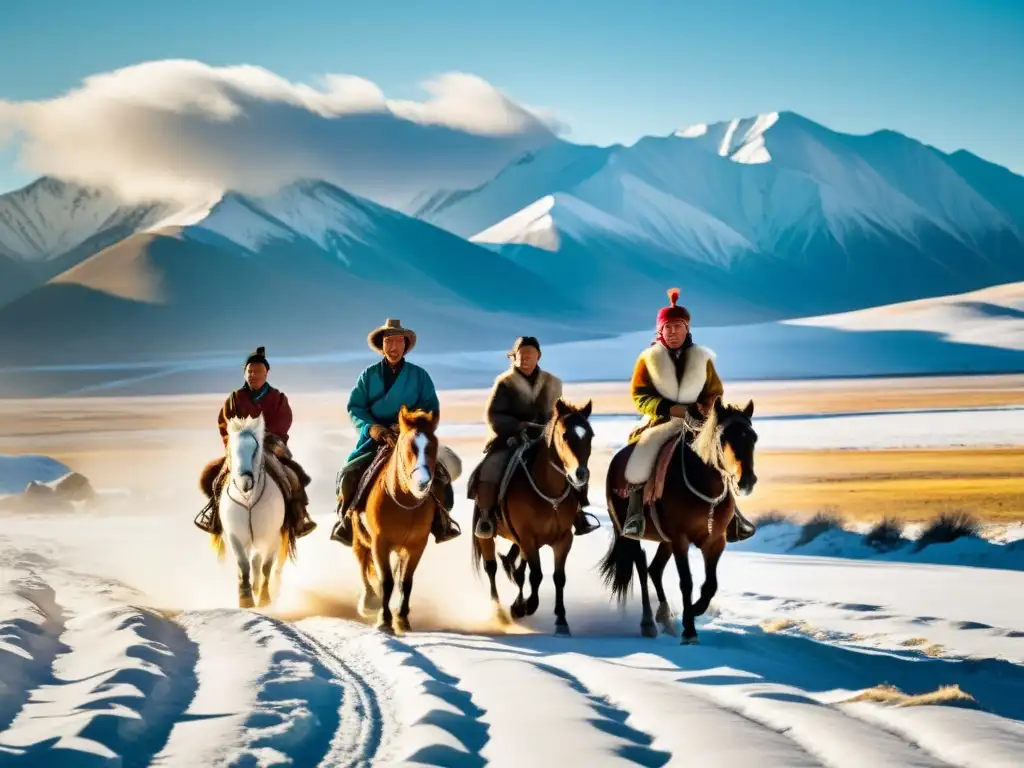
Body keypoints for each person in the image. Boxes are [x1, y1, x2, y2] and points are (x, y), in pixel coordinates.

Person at [620, 289, 757, 542]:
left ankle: (733, 515)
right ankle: (635, 513)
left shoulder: (702, 359)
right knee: (643, 454)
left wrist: (705, 408)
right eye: (668, 328)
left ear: (687, 329)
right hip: (661, 420)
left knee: (721, 453)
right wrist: (671, 409)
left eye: (678, 327)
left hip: (701, 422)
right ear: (660, 331)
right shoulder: (648, 360)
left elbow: (715, 391)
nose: (673, 332)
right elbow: (640, 396)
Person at [329, 318, 461, 546]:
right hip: (375, 439)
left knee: (439, 474)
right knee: (349, 474)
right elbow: (355, 407)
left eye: (398, 341)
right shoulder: (368, 375)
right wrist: (373, 428)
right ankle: (347, 522)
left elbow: (431, 408)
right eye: (389, 341)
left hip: (411, 437)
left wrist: (408, 425)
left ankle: (442, 521)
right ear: (382, 345)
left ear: (405, 345)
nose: (393, 347)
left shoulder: (420, 376)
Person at [471, 336, 601, 538]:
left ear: (538, 357)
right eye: (522, 355)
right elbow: (492, 415)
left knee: (573, 463)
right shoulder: (504, 383)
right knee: (491, 466)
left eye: (530, 355)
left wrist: (553, 427)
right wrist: (516, 426)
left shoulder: (552, 383)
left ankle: (579, 512)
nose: (526, 359)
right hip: (509, 438)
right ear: (514, 357)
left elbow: (558, 414)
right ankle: (487, 516)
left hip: (544, 439)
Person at [196, 346, 317, 538]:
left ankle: (299, 518)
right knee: (214, 476)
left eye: (257, 371)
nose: (253, 375)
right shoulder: (234, 399)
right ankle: (214, 515)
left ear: (266, 373)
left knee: (294, 477)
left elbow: (284, 421)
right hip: (240, 449)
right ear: (244, 373)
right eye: (249, 371)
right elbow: (224, 422)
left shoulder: (278, 398)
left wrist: (266, 437)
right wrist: (233, 441)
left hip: (270, 447)